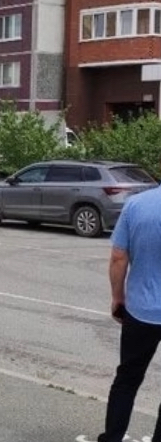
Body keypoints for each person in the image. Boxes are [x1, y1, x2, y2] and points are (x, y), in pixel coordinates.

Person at [97, 185, 161, 442]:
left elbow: (118, 258)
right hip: (141, 310)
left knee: (127, 379)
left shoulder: (136, 205)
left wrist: (117, 298)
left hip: (141, 310)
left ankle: (112, 438)